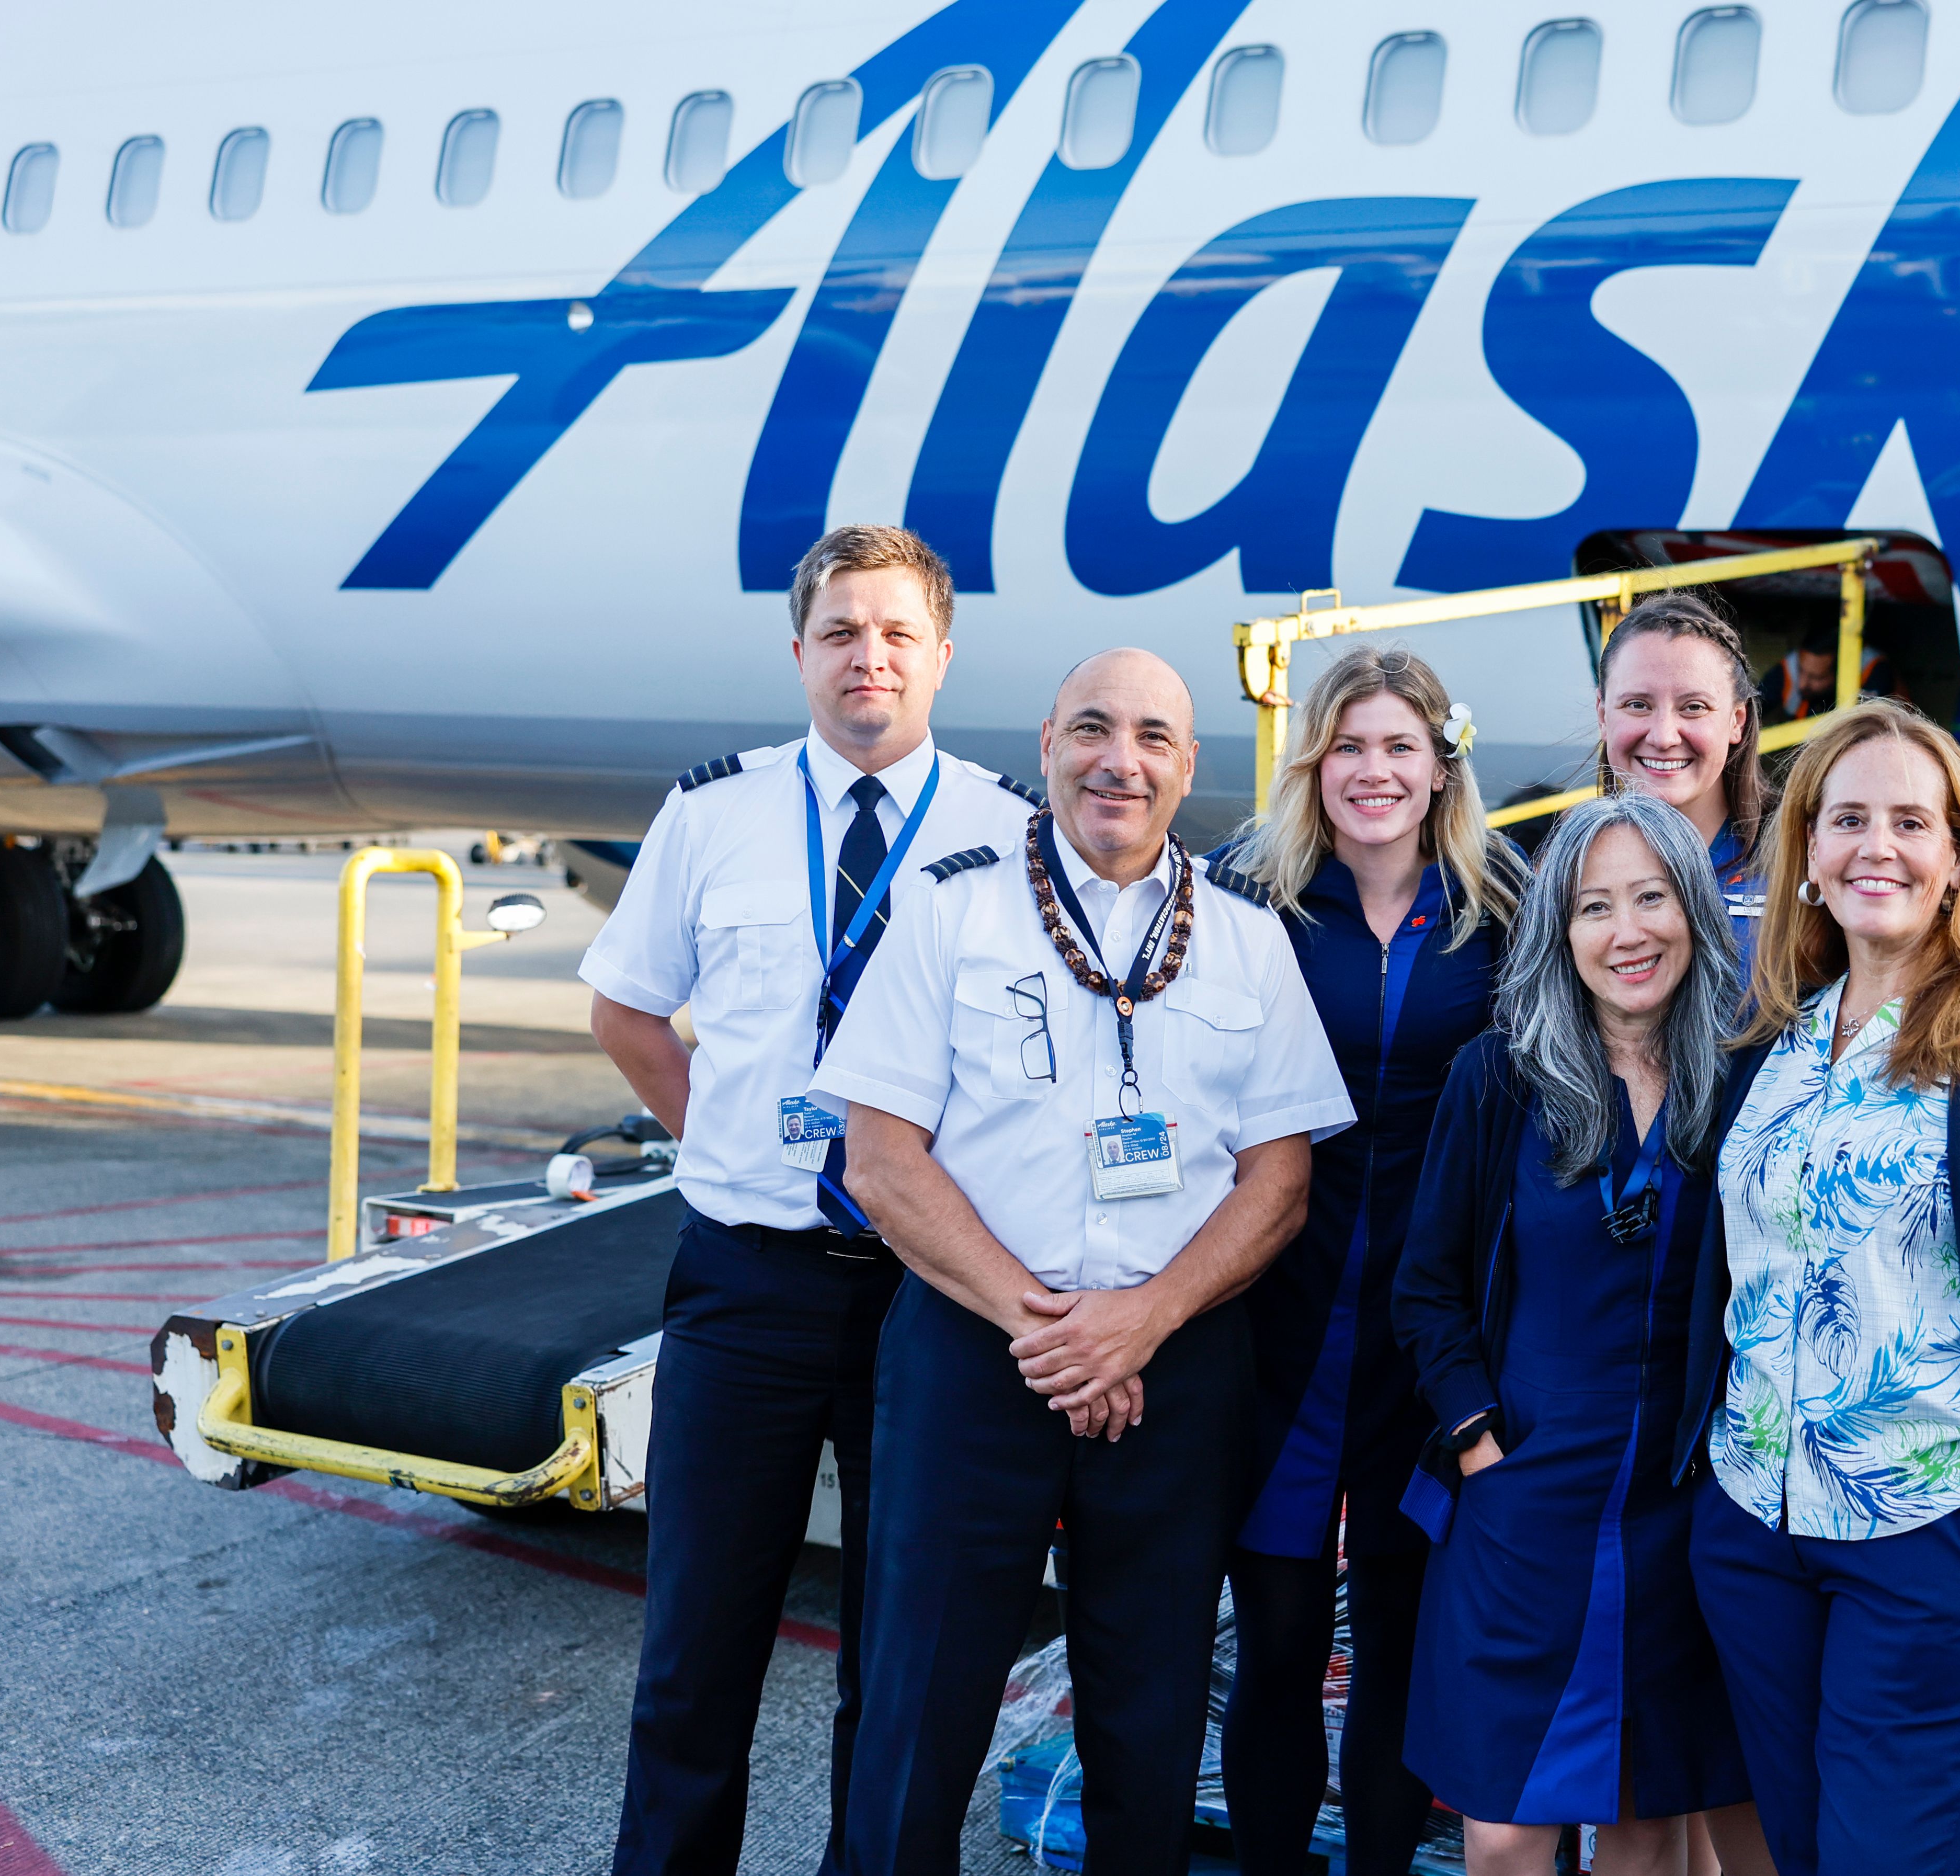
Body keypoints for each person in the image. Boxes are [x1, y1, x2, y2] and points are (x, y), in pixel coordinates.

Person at [815, 649, 1353, 1876]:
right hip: (975, 1350)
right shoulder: (949, 908)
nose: (1121, 760)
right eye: (1093, 730)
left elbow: (1279, 1185)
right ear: (1048, 742)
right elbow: (881, 1161)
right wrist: (1057, 1330)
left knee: (1149, 1712)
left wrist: (1140, 1321)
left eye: (1152, 737)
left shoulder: (1244, 938)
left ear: (1188, 766)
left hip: (1174, 1364)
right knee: (919, 1701)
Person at [580, 525, 1040, 1876]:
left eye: (896, 633)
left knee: (901, 1659)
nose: (867, 656)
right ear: (799, 653)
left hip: (930, 1296)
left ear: (942, 654)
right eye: (841, 631)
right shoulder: (713, 813)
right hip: (748, 1284)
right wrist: (727, 1142)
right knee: (695, 1647)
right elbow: (626, 1011)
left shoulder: (1008, 831)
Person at [1680, 698, 1960, 1876]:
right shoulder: (1767, 1032)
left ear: (1958, 859)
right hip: (1755, 1523)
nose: (1874, 845)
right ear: (1807, 855)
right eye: (1845, 820)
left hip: (1932, 1527)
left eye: (1909, 821)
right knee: (1798, 1854)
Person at [1392, 792, 1775, 1876]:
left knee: (1645, 1823)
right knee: (1504, 1829)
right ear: (1558, 932)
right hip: (1524, 1499)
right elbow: (1425, 1288)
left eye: (1651, 898)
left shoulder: (1745, 1079)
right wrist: (1478, 1440)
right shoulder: (1499, 1076)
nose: (1626, 931)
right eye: (1594, 906)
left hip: (1680, 1509)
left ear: (1695, 910)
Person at [1217, 647, 1526, 1876]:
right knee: (1278, 1644)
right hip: (1278, 1325)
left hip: (1428, 1339)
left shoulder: (1503, 908)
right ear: (1312, 763)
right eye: (1347, 744)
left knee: (1398, 1647)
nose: (1372, 770)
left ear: (1442, 764)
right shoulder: (1250, 897)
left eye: (1398, 745)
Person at [1595, 593, 1770, 969]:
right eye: (1637, 705)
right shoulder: (1568, 871)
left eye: (1694, 707)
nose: (1663, 737)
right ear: (1602, 714)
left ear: (1737, 720)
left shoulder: (1802, 863)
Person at [1754, 620, 1894, 727]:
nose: (1802, 684)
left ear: (1841, 674)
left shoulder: (1874, 672)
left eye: (1816, 677)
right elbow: (1754, 706)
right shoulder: (1791, 667)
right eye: (1801, 670)